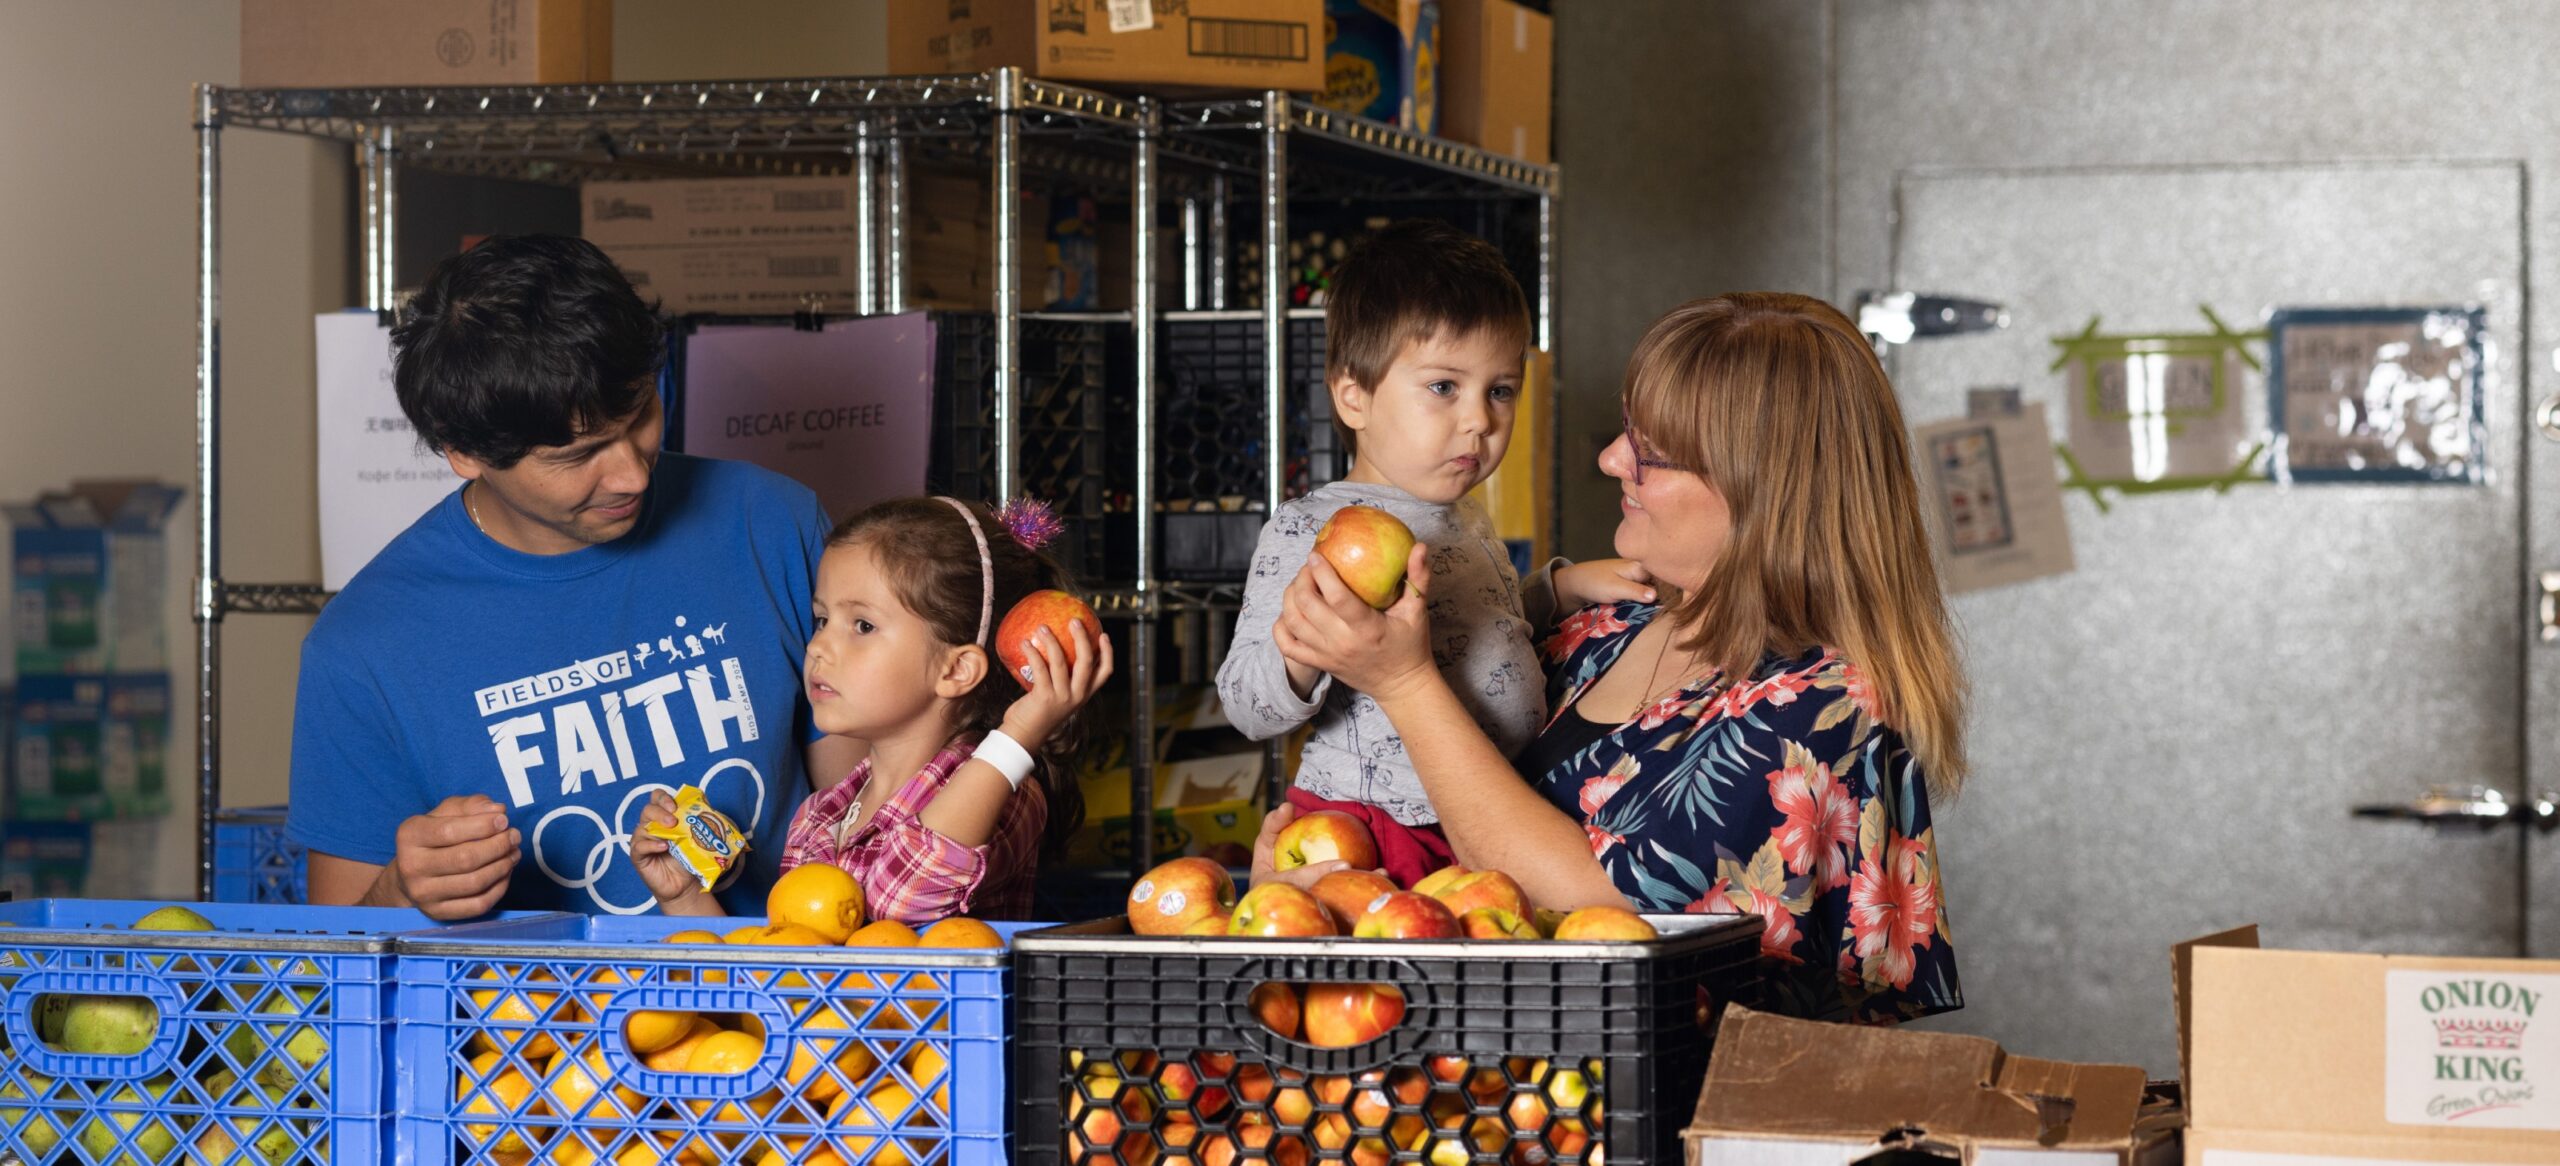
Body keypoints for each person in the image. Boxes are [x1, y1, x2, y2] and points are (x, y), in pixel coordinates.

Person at [1263, 292, 1965, 1022]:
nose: (1609, 459)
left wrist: (1405, 684)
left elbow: (1599, 919)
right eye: (1626, 431)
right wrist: (1310, 893)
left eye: (1650, 452)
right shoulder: (1601, 630)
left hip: (1668, 1113)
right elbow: (1436, 835)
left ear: (1762, 493)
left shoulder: (1820, 706)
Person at [288, 234, 863, 918]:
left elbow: (869, 821)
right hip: (530, 1024)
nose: (632, 472)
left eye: (641, 415)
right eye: (579, 454)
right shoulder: (363, 647)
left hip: (792, 1003)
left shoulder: (771, 523)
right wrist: (405, 892)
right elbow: (336, 957)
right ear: (465, 450)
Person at [1216, 220, 1648, 888]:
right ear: (1353, 396)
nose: (1480, 419)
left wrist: (1558, 590)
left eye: (1500, 390)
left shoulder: (1462, 514)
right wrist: (1307, 648)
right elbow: (1246, 705)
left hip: (1478, 811)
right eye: (1444, 387)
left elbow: (1472, 623)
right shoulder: (1313, 531)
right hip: (1370, 828)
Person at [635, 497, 1110, 923]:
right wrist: (685, 898)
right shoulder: (820, 816)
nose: (819, 646)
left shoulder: (1005, 793)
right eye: (822, 619)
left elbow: (903, 898)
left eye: (861, 625)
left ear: (957, 670)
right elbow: (788, 965)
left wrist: (1020, 733)